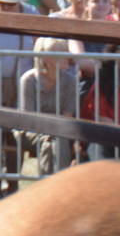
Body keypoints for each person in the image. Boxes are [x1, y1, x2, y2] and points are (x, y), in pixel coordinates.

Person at [19, 37, 79, 175]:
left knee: (53, 139)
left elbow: (67, 117)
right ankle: (59, 182)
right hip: (30, 131)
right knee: (54, 138)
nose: (67, 57)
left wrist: (50, 125)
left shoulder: (71, 81)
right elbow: (28, 118)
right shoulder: (28, 80)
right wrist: (53, 122)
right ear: (46, 59)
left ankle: (47, 183)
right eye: (62, 53)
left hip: (60, 130)